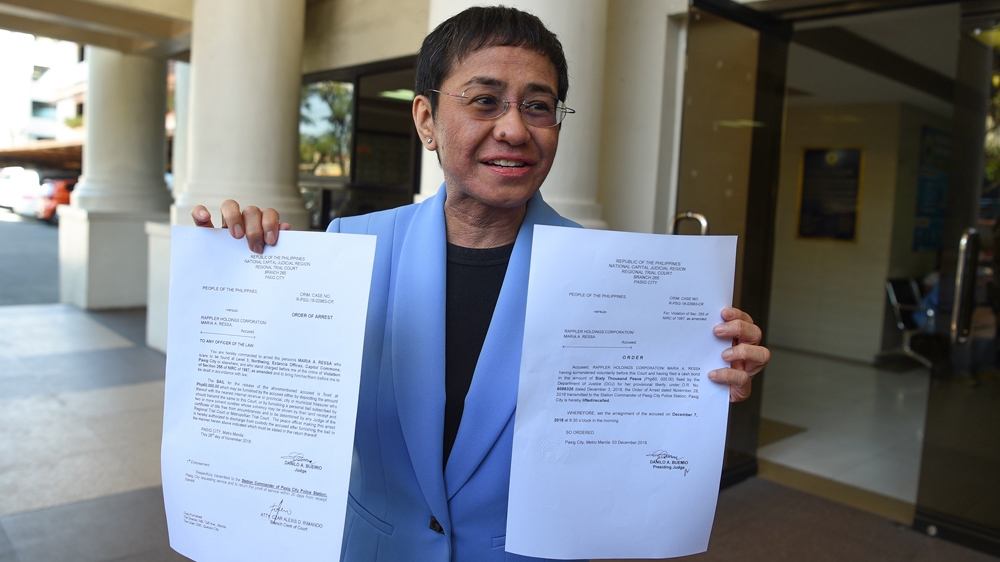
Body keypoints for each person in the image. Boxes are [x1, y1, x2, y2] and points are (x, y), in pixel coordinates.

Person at [192, 6, 770, 561]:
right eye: (484, 101)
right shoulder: (352, 248)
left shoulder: (611, 278)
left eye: (538, 106)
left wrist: (702, 381)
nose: (515, 129)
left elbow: (631, 440)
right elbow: (268, 405)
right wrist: (238, 276)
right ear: (426, 120)